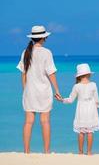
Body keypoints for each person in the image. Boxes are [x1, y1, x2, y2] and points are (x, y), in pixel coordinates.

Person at [17, 25, 62, 153]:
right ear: (44, 38)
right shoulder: (47, 52)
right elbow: (51, 73)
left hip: (29, 92)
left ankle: (26, 151)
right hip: (44, 91)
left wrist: (25, 89)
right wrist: (57, 90)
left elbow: (23, 73)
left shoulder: (25, 52)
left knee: (28, 122)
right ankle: (46, 151)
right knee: (45, 121)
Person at [62, 63, 99, 155]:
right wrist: (97, 108)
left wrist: (62, 100)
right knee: (90, 131)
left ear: (79, 76)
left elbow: (71, 100)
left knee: (81, 131)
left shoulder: (76, 86)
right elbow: (97, 99)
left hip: (81, 109)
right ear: (89, 74)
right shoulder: (93, 85)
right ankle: (89, 152)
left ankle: (80, 152)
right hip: (91, 109)